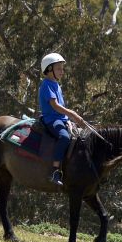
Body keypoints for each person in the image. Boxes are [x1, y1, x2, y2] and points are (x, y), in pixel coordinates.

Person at [38, 53, 86, 186]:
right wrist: (73, 115)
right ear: (49, 69)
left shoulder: (56, 85)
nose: (62, 71)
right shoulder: (46, 85)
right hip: (52, 120)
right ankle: (55, 170)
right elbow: (55, 106)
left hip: (62, 119)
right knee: (64, 137)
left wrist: (69, 119)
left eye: (62, 68)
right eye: (59, 68)